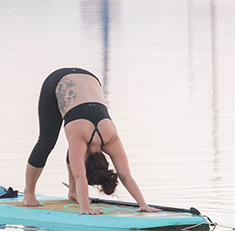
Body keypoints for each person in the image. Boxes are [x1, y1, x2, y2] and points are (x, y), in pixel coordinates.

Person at [23, 67, 154, 215]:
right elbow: (80, 175)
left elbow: (124, 175)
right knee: (47, 141)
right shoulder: (104, 136)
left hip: (90, 78)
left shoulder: (110, 137)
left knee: (76, 146)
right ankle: (29, 193)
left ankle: (73, 193)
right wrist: (85, 208)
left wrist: (143, 204)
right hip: (57, 81)